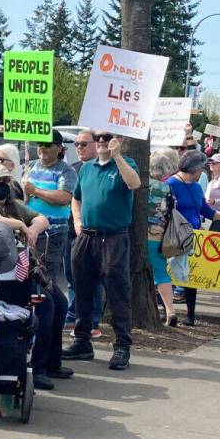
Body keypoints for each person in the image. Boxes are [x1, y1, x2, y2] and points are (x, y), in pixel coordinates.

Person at [0, 166, 73, 389]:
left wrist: (32, 229)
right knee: (45, 306)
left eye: (6, 180)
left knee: (61, 303)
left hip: (20, 268)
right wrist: (16, 224)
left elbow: (41, 218)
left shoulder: (12, 205)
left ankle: (51, 362)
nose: (3, 185)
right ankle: (37, 368)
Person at [63, 132, 141, 371]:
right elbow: (76, 198)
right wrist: (77, 219)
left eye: (106, 137)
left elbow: (134, 183)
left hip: (114, 238)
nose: (101, 141)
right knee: (82, 289)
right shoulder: (87, 169)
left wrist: (118, 156)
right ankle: (82, 340)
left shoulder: (125, 164)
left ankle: (122, 346)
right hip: (86, 236)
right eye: (97, 137)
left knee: (117, 292)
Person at [167, 151, 220, 324]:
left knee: (190, 276)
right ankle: (168, 311)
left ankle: (190, 315)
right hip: (174, 235)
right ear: (194, 168)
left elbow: (205, 210)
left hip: (194, 235)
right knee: (170, 274)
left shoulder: (196, 186)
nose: (203, 171)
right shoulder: (171, 184)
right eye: (202, 168)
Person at [24, 129, 77, 290]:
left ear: (59, 148)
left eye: (47, 144)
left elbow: (63, 198)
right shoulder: (30, 166)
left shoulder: (66, 171)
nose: (42, 148)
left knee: (47, 278)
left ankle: (50, 312)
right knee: (27, 276)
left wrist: (35, 191)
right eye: (39, 143)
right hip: (29, 232)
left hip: (52, 236)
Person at [64, 128, 103, 336]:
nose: (79, 147)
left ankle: (93, 322)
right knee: (72, 278)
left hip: (95, 235)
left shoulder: (102, 169)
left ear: (96, 144)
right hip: (73, 231)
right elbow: (74, 198)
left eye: (83, 144)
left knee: (94, 280)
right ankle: (73, 317)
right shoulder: (75, 169)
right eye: (76, 144)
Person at [146, 149, 178, 327]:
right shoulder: (167, 188)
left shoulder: (142, 185)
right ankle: (170, 310)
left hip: (137, 234)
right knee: (161, 273)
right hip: (159, 235)